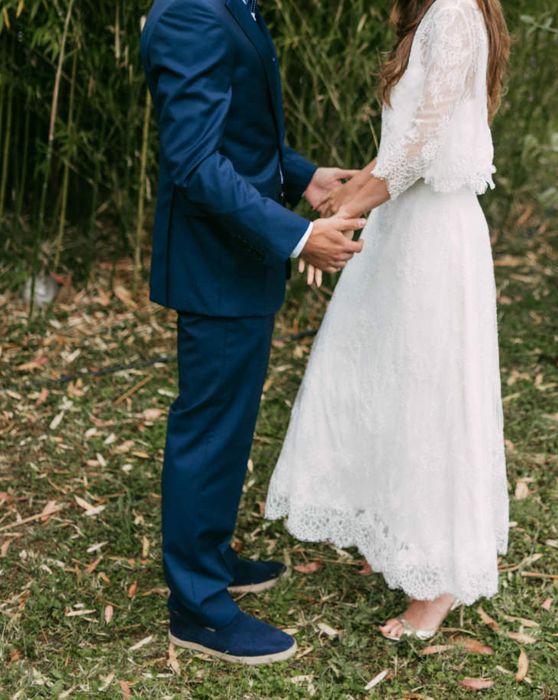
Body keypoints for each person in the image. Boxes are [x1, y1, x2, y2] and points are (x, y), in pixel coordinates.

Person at [266, 0, 511, 641]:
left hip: (434, 230)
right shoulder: (434, 13)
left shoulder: (455, 12)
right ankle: (402, 531)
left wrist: (343, 207)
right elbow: (403, 149)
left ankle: (438, 581)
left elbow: (418, 149)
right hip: (406, 224)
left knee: (431, 394)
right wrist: (354, 203)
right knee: (383, 377)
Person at [140, 0, 367, 666]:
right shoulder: (190, 12)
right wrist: (296, 236)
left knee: (228, 423)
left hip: (235, 263)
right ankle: (198, 609)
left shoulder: (227, 3)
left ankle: (208, 555)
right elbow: (193, 160)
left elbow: (239, 132)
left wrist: (302, 176)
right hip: (216, 264)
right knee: (209, 428)